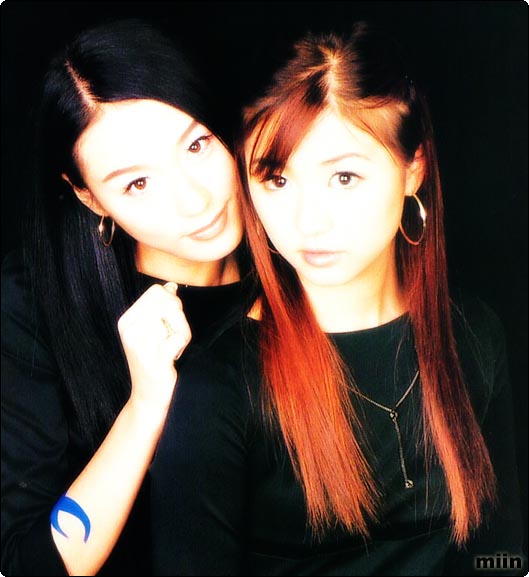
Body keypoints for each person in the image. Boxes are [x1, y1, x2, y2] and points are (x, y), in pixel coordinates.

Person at [149, 21, 525, 576]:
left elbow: (503, 555)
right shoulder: (222, 388)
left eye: (344, 177)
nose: (308, 222)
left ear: (413, 170)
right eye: (277, 180)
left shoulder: (472, 333)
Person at [1, 17, 249, 577]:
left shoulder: (300, 264)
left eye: (197, 144)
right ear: (90, 198)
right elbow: (23, 564)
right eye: (137, 183)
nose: (194, 201)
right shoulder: (32, 307)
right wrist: (144, 406)